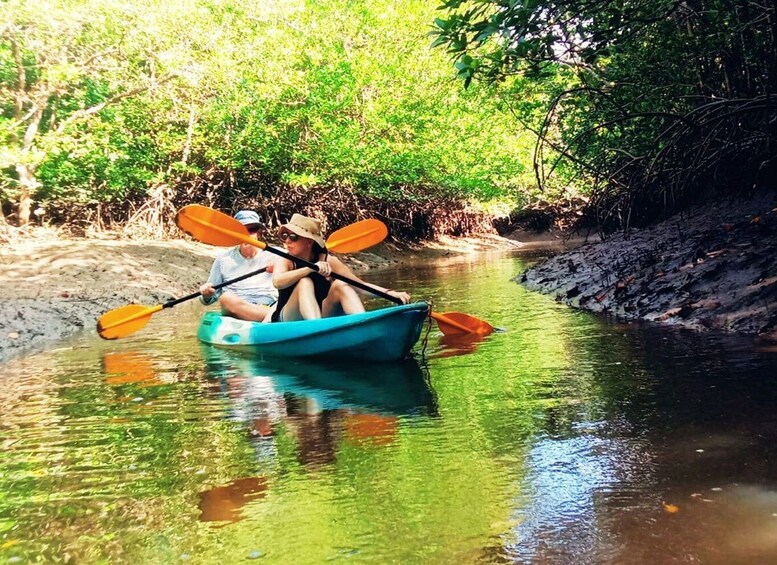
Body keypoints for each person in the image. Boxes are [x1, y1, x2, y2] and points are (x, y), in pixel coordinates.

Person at [270, 213, 411, 322]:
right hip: (288, 317)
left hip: (321, 312)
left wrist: (391, 293)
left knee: (340, 284)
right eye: (285, 236)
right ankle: (317, 328)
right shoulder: (285, 259)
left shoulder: (328, 261)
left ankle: (363, 323)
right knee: (304, 282)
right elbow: (277, 282)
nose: (287, 241)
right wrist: (310, 268)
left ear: (309, 241)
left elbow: (358, 285)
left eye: (293, 237)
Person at [200, 210, 278, 321]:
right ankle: (275, 318)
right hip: (234, 309)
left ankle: (269, 316)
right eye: (242, 231)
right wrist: (206, 294)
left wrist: (280, 268)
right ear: (234, 234)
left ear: (259, 232)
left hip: (267, 305)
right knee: (226, 298)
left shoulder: (277, 255)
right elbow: (209, 299)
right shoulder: (223, 259)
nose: (247, 235)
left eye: (251, 230)